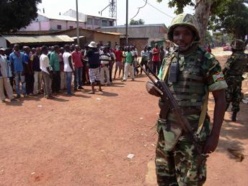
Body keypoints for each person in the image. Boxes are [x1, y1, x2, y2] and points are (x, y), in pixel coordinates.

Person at [146, 14, 228, 186]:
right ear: (171, 36)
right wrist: (149, 87)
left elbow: (221, 99)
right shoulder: (169, 57)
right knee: (165, 178)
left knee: (189, 181)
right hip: (167, 129)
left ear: (194, 35)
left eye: (186, 33)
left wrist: (214, 135)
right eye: (177, 33)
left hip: (192, 133)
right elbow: (158, 82)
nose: (181, 38)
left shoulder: (207, 60)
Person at [223, 39, 248, 121]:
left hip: (230, 79)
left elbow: (226, 68)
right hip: (239, 79)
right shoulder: (246, 57)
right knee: (236, 96)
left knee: (227, 96)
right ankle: (234, 116)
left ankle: (221, 114)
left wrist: (218, 78)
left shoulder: (233, 56)